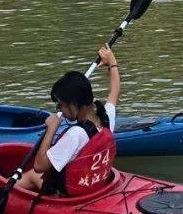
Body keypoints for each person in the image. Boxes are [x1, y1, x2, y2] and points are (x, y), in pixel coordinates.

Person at [16, 44, 120, 195]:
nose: (59, 111)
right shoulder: (105, 118)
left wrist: (51, 128)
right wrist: (112, 63)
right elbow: (114, 94)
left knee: (33, 175)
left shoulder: (76, 134)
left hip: (72, 193)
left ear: (74, 105)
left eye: (61, 105)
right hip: (95, 183)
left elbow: (39, 165)